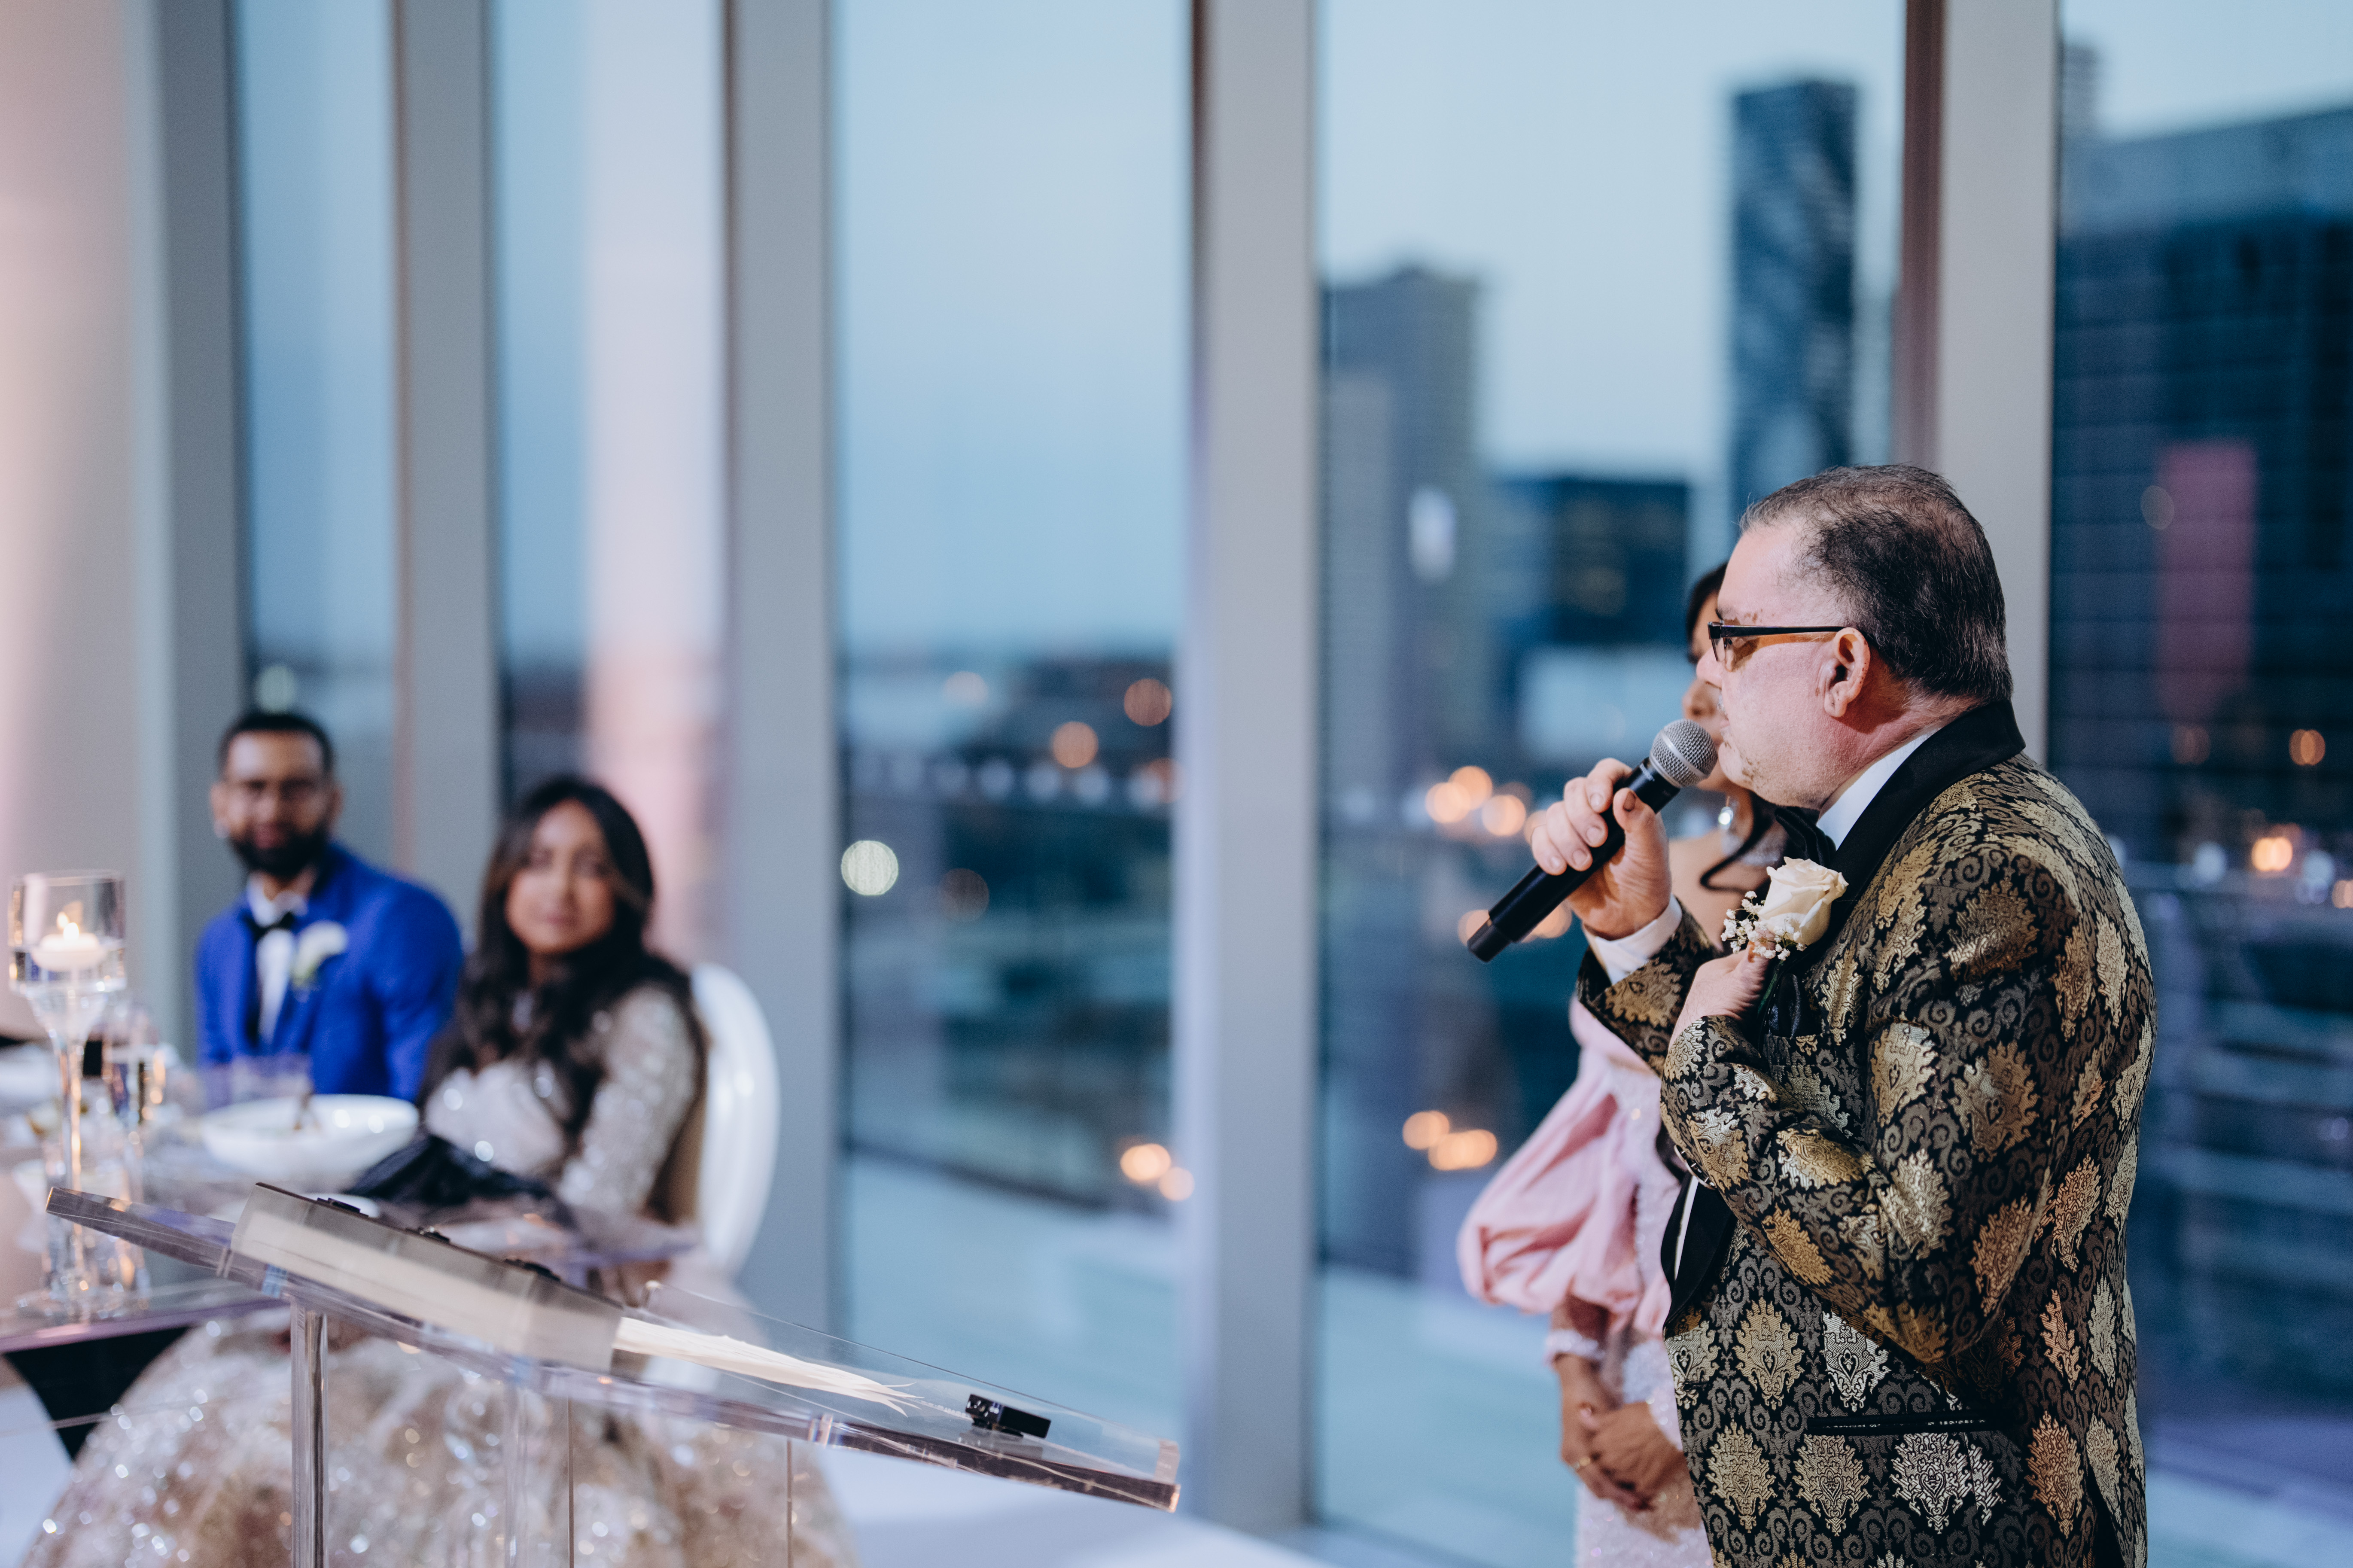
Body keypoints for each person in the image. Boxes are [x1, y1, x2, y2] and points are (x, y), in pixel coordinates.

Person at [1532, 465, 2149, 1568]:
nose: (1704, 679)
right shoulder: (1883, 833)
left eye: (1730, 640)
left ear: (1842, 663)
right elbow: (1796, 1103)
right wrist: (1637, 929)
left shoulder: (1985, 870)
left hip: (1938, 1530)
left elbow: (1918, 1268)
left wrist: (1703, 1062)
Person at [36, 778, 858, 1567]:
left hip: (550, 1293)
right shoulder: (495, 999)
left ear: (627, 890)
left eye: (591, 867)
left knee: (268, 1419)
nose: (559, 887)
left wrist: (398, 1280)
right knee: (214, 1376)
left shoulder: (644, 1014)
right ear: (506, 877)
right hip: (442, 1271)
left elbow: (589, 1213)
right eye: (538, 861)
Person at [1458, 565, 1782, 1565]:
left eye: (1729, 651)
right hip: (1627, 1342)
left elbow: (1789, 1185)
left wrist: (1682, 1413)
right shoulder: (1655, 872)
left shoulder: (1819, 903)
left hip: (1754, 1385)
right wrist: (1575, 1362)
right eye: (1694, 655)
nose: (1698, 688)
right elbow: (1609, 1139)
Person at [195, 711, 463, 1101]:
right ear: (220, 804)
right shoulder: (218, 943)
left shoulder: (403, 918)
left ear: (333, 801)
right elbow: (217, 1092)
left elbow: (421, 1095)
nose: (272, 810)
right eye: (253, 788)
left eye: (296, 788)